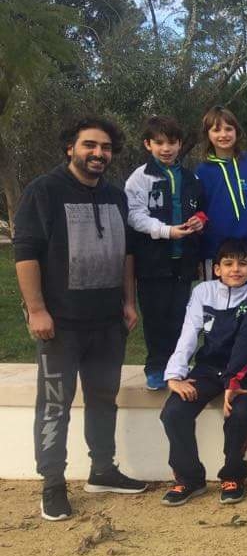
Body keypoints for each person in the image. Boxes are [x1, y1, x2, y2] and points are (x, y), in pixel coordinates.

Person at [15, 118, 147, 521]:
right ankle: (52, 483)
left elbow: (126, 252)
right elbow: (25, 253)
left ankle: (102, 469)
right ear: (70, 148)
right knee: (54, 403)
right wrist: (36, 309)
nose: (98, 153)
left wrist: (128, 302)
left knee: (103, 398)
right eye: (89, 145)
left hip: (107, 322)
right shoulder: (44, 191)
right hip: (61, 324)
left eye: (105, 147)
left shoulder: (115, 195)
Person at [159, 238, 247, 506]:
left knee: (239, 415)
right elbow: (189, 333)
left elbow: (246, 343)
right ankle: (189, 478)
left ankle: (233, 475)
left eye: (242, 264)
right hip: (208, 369)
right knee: (173, 412)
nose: (235, 269)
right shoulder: (203, 292)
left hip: (243, 372)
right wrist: (174, 376)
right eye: (228, 264)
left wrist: (233, 382)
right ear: (217, 269)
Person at [125, 115, 207, 392]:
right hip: (153, 263)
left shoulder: (191, 178)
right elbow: (134, 216)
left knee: (180, 317)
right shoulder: (140, 178)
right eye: (159, 143)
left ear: (180, 144)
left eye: (172, 142)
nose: (166, 148)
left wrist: (199, 221)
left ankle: (178, 367)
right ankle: (156, 368)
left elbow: (202, 210)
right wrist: (166, 231)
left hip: (184, 262)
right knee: (156, 317)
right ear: (147, 144)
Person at [195, 105, 247, 290]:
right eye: (216, 130)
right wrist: (200, 254)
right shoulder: (202, 172)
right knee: (221, 303)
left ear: (237, 131)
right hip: (217, 252)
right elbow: (199, 213)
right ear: (208, 134)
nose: (223, 134)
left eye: (228, 129)